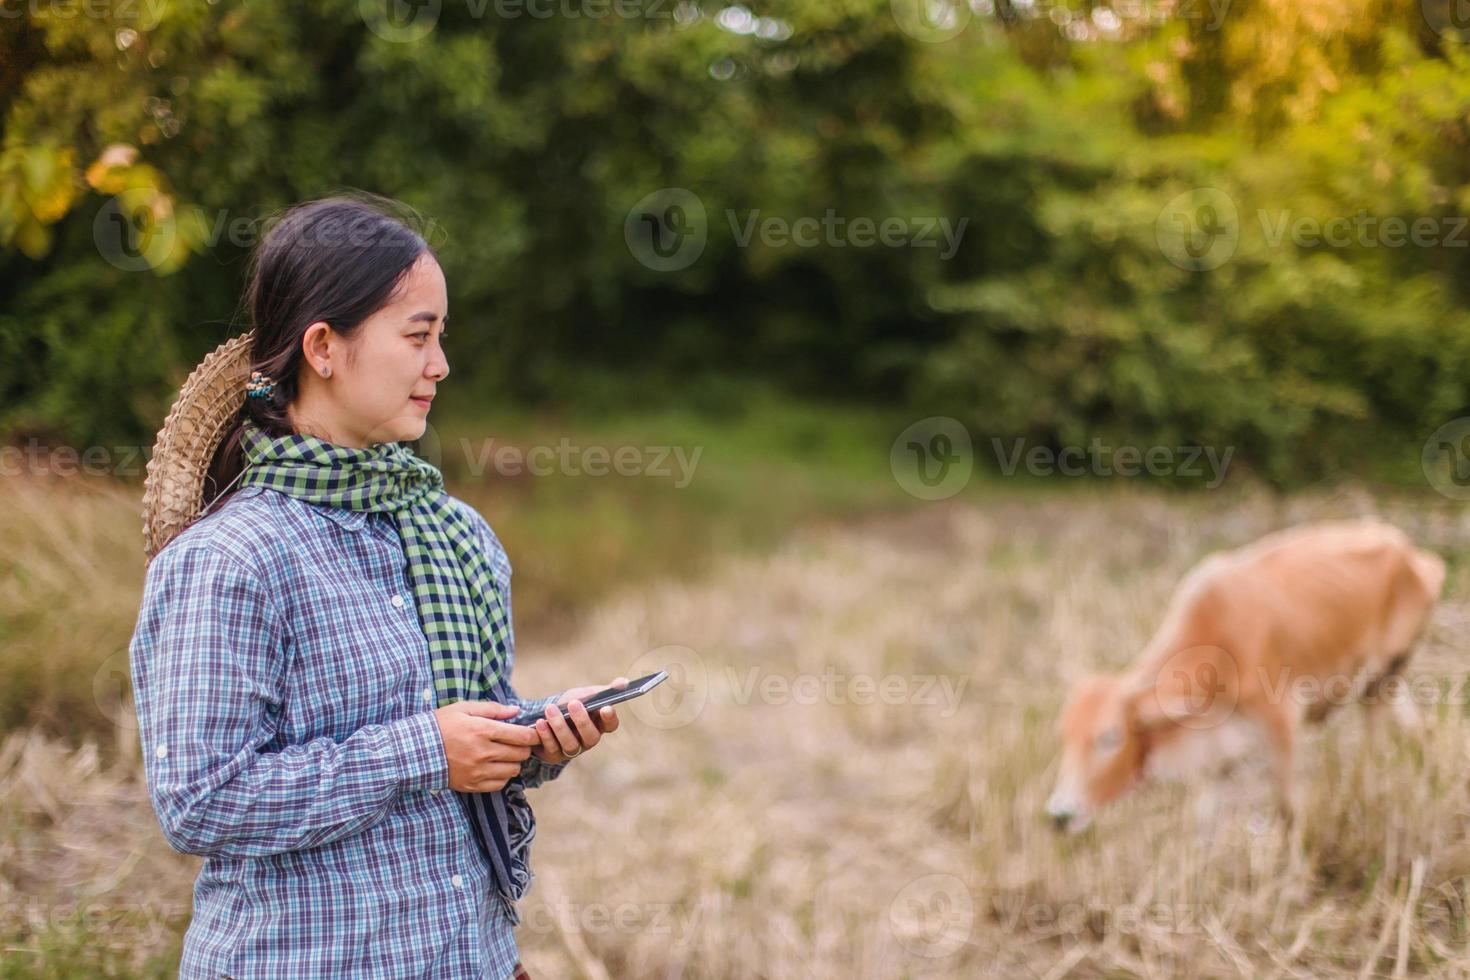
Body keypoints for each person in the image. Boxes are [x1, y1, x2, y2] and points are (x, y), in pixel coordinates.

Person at [128, 193, 626, 979]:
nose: (441, 365)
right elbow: (201, 801)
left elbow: (467, 749)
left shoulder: (455, 537)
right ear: (324, 347)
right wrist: (425, 749)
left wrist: (534, 740)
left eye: (442, 337)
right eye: (419, 336)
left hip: (469, 957)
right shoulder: (232, 560)